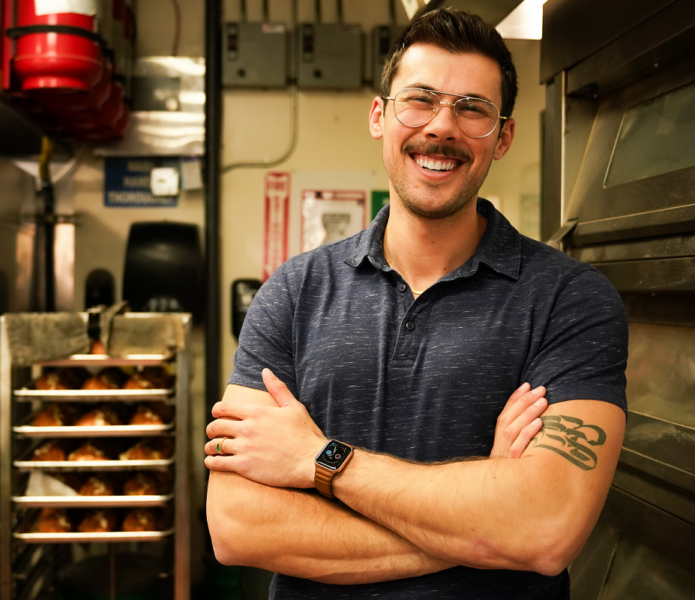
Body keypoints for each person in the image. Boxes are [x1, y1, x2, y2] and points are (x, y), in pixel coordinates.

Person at [205, 7, 628, 600]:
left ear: (502, 136)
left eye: (473, 109)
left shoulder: (571, 300)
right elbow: (237, 528)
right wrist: (484, 522)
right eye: (420, 100)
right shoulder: (293, 291)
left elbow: (545, 530)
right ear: (380, 116)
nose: (441, 128)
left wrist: (317, 460)